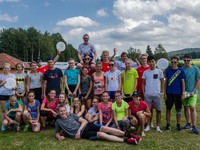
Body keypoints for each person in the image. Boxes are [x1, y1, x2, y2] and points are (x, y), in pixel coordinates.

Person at [55, 105, 141, 145]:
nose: (62, 112)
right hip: (83, 134)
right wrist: (59, 137)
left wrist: (79, 130)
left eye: (63, 110)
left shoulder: (72, 115)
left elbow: (84, 121)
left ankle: (129, 135)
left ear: (66, 111)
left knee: (104, 128)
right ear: (58, 112)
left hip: (85, 126)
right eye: (61, 111)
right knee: (101, 134)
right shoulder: (58, 121)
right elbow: (56, 132)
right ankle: (127, 141)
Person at [142, 56, 164, 132]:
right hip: (148, 94)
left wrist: (162, 91)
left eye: (153, 61)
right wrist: (144, 92)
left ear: (155, 62)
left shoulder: (159, 71)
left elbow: (162, 81)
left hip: (157, 94)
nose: (151, 63)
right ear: (148, 62)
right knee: (148, 111)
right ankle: (148, 125)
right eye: (150, 62)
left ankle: (158, 126)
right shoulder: (146, 72)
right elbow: (143, 83)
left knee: (158, 110)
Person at [164, 56, 185, 131]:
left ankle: (178, 125)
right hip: (169, 93)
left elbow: (183, 82)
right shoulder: (168, 71)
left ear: (178, 62)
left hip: (178, 93)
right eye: (172, 62)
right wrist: (165, 93)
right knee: (168, 109)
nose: (173, 63)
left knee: (178, 110)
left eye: (175, 62)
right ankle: (168, 125)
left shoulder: (181, 70)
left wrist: (183, 93)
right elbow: (165, 82)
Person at [182, 54, 200, 134]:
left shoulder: (195, 69)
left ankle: (194, 126)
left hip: (193, 92)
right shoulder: (181, 69)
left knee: (192, 107)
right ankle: (188, 123)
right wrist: (183, 92)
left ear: (191, 60)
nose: (186, 62)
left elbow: (198, 80)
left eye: (188, 60)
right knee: (186, 108)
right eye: (185, 60)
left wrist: (194, 90)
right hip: (185, 92)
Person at [0, 63, 17, 131]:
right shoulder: (0, 76)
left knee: (11, 110)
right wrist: (2, 83)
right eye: (5, 68)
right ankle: (3, 125)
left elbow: (16, 85)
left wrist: (14, 87)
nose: (6, 69)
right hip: (3, 94)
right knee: (4, 110)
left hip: (11, 94)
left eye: (8, 68)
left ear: (10, 69)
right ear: (3, 68)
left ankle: (11, 124)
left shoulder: (13, 75)